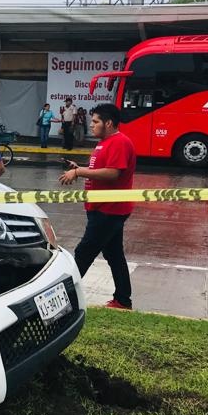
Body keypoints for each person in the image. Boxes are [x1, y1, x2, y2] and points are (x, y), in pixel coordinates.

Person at [58, 103, 136, 310]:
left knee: (84, 252)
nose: (91, 125)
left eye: (95, 122)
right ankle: (122, 300)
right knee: (114, 255)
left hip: (109, 209)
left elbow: (113, 173)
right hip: (100, 207)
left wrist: (79, 172)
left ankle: (62, 300)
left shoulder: (119, 142)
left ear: (108, 123)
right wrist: (79, 169)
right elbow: (101, 169)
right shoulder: (104, 142)